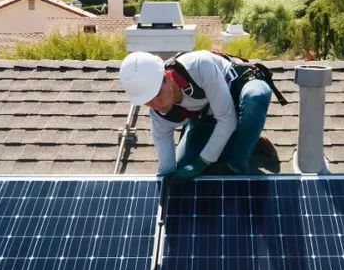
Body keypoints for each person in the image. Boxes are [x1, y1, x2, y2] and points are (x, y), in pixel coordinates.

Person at [119, 50, 285, 183]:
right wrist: (165, 186)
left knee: (256, 97)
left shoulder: (198, 66)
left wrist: (201, 163)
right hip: (207, 118)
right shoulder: (159, 118)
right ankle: (243, 138)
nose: (156, 104)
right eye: (148, 101)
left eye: (158, 94)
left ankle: (237, 165)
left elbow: (226, 120)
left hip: (236, 93)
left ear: (168, 77)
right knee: (183, 168)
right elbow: (166, 169)